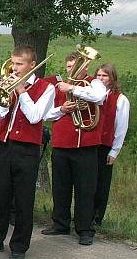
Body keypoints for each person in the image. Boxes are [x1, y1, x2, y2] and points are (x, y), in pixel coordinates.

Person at [0, 45, 54, 259]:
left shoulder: (46, 88)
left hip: (27, 149)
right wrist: (3, 97)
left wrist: (21, 90)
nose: (14, 68)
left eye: (19, 64)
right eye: (13, 63)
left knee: (23, 199)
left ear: (32, 65)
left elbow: (35, 116)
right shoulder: (8, 83)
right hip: (5, 145)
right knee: (2, 195)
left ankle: (19, 246)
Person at [41, 52, 107, 245]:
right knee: (60, 187)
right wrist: (62, 109)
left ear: (85, 67)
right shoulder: (57, 87)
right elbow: (46, 114)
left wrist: (72, 88)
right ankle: (60, 224)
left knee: (85, 189)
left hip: (86, 144)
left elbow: (99, 97)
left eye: (76, 66)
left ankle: (85, 229)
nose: (72, 70)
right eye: (69, 67)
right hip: (62, 143)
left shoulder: (94, 83)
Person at [93, 63, 130, 226]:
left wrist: (114, 150)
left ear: (112, 78)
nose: (101, 78)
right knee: (88, 182)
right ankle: (84, 215)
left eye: (105, 75)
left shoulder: (121, 99)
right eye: (98, 75)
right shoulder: (91, 94)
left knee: (101, 183)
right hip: (90, 144)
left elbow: (121, 127)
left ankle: (97, 217)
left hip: (105, 145)